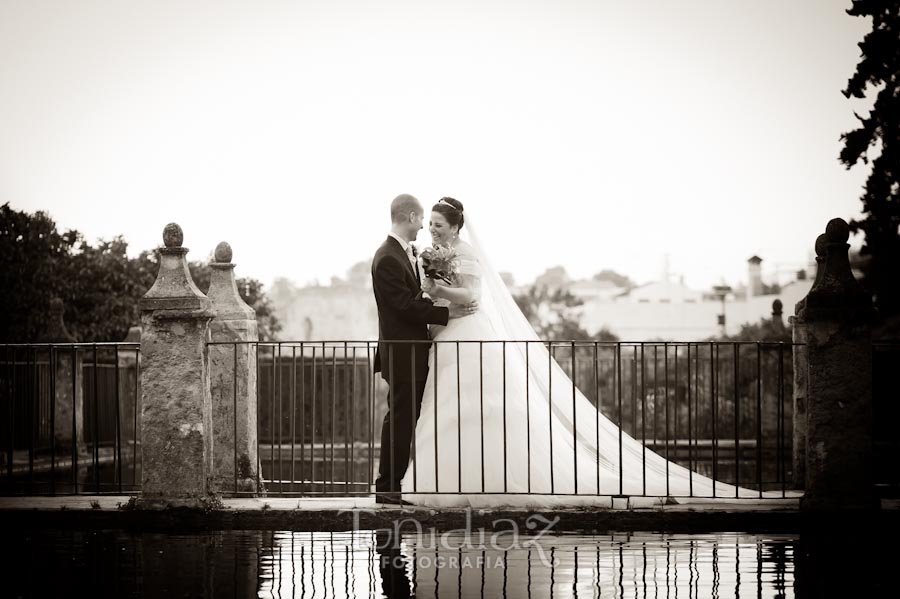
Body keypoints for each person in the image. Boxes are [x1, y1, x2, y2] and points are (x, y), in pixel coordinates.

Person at [401, 198, 780, 507]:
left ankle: (492, 480)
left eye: (438, 223)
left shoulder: (463, 252)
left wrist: (438, 290)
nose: (432, 228)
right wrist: (434, 283)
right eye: (430, 223)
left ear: (454, 226)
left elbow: (472, 295)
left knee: (481, 405)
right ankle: (449, 477)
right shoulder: (439, 251)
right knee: (451, 405)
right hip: (449, 333)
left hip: (469, 331)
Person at [372, 194, 477, 506]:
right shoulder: (388, 256)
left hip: (411, 351)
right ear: (409, 217)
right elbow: (403, 306)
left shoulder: (404, 252)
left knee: (404, 419)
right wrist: (447, 314)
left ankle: (392, 486)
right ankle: (388, 488)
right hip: (403, 352)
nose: (424, 228)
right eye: (422, 221)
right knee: (401, 420)